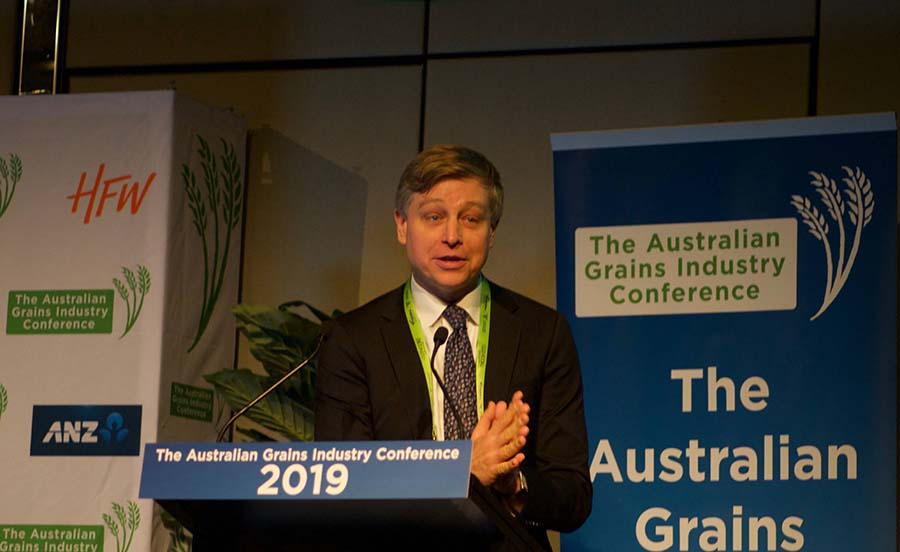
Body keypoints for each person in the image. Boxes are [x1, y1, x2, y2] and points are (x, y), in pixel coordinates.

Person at [315, 145, 592, 548]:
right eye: (433, 217)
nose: (452, 236)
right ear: (401, 226)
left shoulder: (542, 332)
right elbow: (344, 486)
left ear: (492, 231)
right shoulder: (352, 339)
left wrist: (513, 483)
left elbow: (574, 496)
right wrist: (463, 472)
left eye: (471, 219)